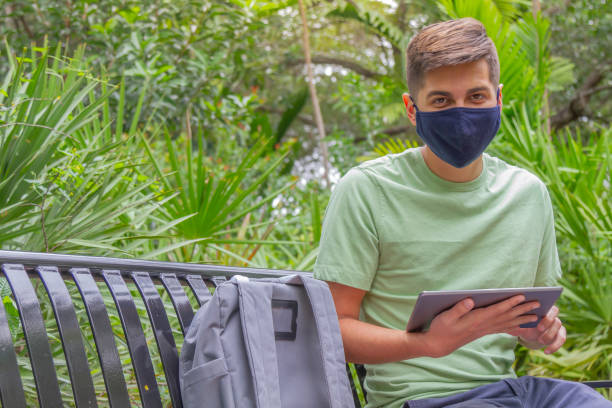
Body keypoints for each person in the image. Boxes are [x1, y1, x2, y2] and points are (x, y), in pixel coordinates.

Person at [313, 17, 612, 408]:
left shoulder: (527, 194)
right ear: (411, 108)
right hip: (423, 399)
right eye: (441, 100)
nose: (461, 113)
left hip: (514, 393)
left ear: (498, 99)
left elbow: (527, 317)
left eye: (476, 97)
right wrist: (424, 344)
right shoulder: (367, 190)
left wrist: (539, 331)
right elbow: (331, 331)